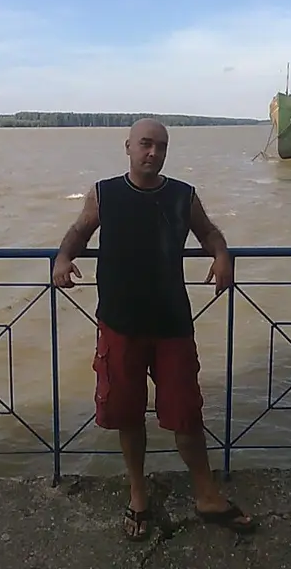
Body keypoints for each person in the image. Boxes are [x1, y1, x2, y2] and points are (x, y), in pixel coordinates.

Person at [53, 118, 256, 541]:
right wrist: (63, 258)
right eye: (145, 144)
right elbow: (79, 231)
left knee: (187, 413)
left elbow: (208, 232)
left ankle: (207, 496)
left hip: (171, 323)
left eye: (161, 146)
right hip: (120, 323)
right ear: (127, 146)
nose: (153, 153)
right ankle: (138, 495)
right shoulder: (104, 193)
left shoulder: (183, 195)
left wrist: (222, 255)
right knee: (128, 415)